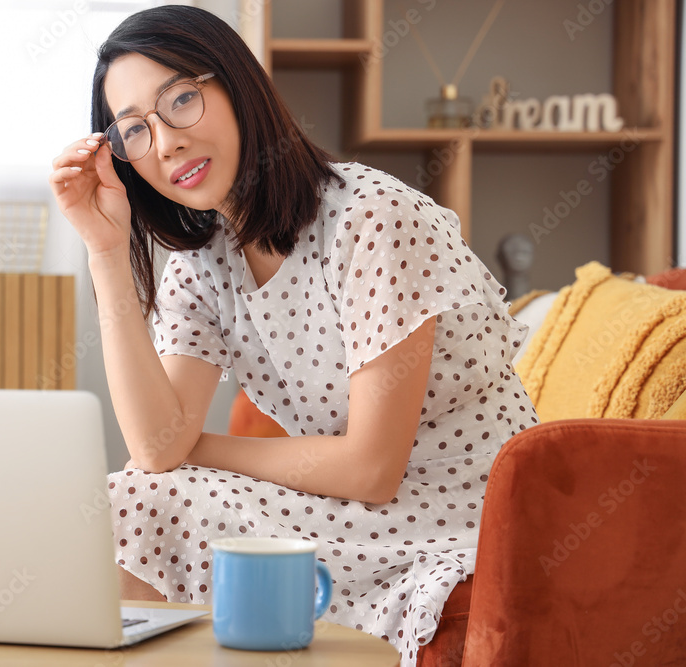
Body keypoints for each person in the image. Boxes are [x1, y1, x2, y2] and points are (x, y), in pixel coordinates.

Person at [48, 6, 539, 665]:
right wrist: (106, 251)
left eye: (182, 100)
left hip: (464, 513)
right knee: (134, 495)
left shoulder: (370, 217)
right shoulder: (203, 265)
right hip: (350, 506)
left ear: (239, 87)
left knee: (149, 490)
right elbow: (156, 448)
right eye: (134, 130)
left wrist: (198, 448)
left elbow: (371, 467)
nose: (164, 144)